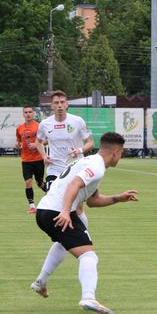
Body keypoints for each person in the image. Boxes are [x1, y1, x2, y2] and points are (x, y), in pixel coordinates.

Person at [31, 132, 138, 314]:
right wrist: (66, 211)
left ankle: (41, 282)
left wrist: (118, 198)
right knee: (89, 256)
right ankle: (89, 298)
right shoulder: (96, 167)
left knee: (64, 242)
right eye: (122, 152)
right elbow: (74, 184)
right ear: (115, 152)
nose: (121, 156)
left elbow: (93, 201)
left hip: (44, 211)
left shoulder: (89, 161)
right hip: (57, 211)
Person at [36, 90, 94, 228]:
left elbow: (90, 142)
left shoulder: (77, 121)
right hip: (54, 169)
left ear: (67, 104)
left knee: (77, 208)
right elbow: (38, 142)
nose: (60, 105)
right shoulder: (45, 124)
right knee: (53, 202)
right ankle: (59, 234)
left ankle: (84, 234)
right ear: (52, 106)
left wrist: (80, 150)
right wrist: (44, 156)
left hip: (75, 168)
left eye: (62, 102)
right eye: (56, 103)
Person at [15, 106, 45, 213]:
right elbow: (18, 140)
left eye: (30, 112)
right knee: (28, 182)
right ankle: (32, 206)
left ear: (33, 114)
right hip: (26, 160)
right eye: (26, 112)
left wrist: (36, 145)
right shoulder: (19, 128)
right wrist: (17, 144)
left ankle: (50, 192)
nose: (28, 114)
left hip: (38, 159)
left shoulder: (39, 127)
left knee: (40, 183)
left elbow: (46, 140)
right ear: (23, 114)